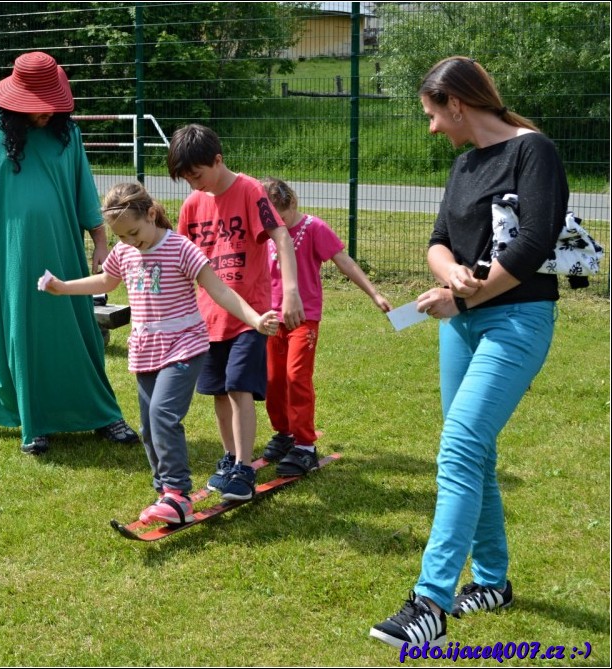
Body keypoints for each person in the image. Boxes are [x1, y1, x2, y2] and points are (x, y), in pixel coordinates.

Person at [369, 56, 568, 649]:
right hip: (461, 326)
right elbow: (437, 241)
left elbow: (534, 242)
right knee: (473, 452)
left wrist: (468, 295)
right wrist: (450, 272)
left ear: (456, 103)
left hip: (517, 321)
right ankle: (492, 582)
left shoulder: (533, 151)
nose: (432, 127)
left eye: (432, 114)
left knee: (458, 445)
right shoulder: (464, 165)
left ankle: (430, 601)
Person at [39, 183, 279, 523]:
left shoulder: (180, 248)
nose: (130, 241)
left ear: (151, 214)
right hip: (146, 350)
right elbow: (106, 282)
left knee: (163, 414)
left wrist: (255, 320)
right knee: (150, 426)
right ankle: (165, 491)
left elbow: (220, 290)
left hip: (184, 346)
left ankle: (178, 496)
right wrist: (63, 287)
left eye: (134, 232)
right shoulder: (125, 252)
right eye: (121, 236)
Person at [0, 51, 138, 454]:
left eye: (54, 104)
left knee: (79, 332)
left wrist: (101, 242)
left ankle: (102, 413)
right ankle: (33, 422)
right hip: (6, 258)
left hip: (62, 250)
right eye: (40, 106)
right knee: (19, 332)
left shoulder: (67, 133)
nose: (49, 112)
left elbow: (84, 188)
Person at [167, 124, 305, 501]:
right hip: (208, 319)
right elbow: (183, 259)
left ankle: (244, 468)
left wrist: (290, 291)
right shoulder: (192, 205)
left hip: (250, 316)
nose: (194, 184)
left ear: (218, 160)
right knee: (217, 391)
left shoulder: (249, 190)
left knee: (238, 386)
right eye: (187, 179)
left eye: (197, 175)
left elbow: (281, 236)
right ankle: (230, 457)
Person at [258, 177, 392, 476]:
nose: (278, 226)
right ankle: (284, 432)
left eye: (283, 218)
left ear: (293, 203)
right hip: (271, 319)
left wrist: (374, 293)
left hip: (303, 318)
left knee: (296, 377)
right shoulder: (264, 231)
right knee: (273, 380)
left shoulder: (313, 228)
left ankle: (305, 445)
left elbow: (344, 261)